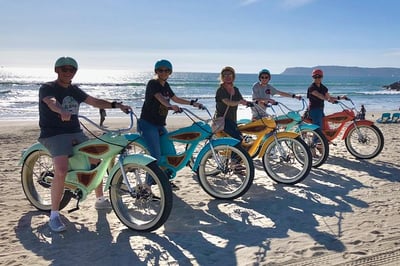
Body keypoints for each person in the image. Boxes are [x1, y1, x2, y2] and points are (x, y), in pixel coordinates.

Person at [38, 56, 131, 232]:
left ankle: (100, 200)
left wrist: (116, 105)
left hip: (75, 132)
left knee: (97, 157)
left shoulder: (75, 90)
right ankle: (54, 215)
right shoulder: (47, 87)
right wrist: (61, 110)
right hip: (53, 133)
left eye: (72, 70)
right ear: (57, 70)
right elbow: (51, 102)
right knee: (61, 170)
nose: (68, 72)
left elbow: (94, 102)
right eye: (64, 69)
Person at [138, 59, 203, 190]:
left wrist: (193, 103)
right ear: (156, 71)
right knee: (155, 156)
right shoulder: (153, 83)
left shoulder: (166, 86)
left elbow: (175, 98)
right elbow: (159, 98)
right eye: (160, 70)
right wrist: (170, 106)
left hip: (160, 125)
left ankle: (165, 179)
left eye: (166, 70)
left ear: (170, 72)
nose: (164, 72)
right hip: (148, 124)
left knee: (168, 153)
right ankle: (146, 187)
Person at [215, 66, 250, 142]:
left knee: (244, 138)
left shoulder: (235, 89)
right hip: (223, 121)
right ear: (222, 77)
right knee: (237, 140)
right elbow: (228, 102)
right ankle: (235, 154)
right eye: (225, 75)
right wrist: (239, 102)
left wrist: (250, 103)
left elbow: (242, 100)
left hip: (233, 121)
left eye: (229, 74)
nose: (227, 77)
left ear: (233, 76)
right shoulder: (221, 90)